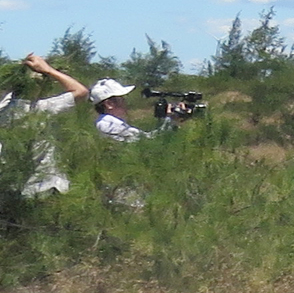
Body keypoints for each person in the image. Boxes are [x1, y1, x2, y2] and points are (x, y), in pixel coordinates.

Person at [0, 53, 89, 196]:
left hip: (11, 188)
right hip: (43, 187)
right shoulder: (43, 108)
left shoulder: (4, 110)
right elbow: (81, 92)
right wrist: (49, 70)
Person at [89, 78, 179, 143]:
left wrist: (171, 120)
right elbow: (148, 141)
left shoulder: (109, 123)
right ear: (109, 104)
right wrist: (170, 119)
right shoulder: (109, 125)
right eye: (121, 98)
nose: (125, 102)